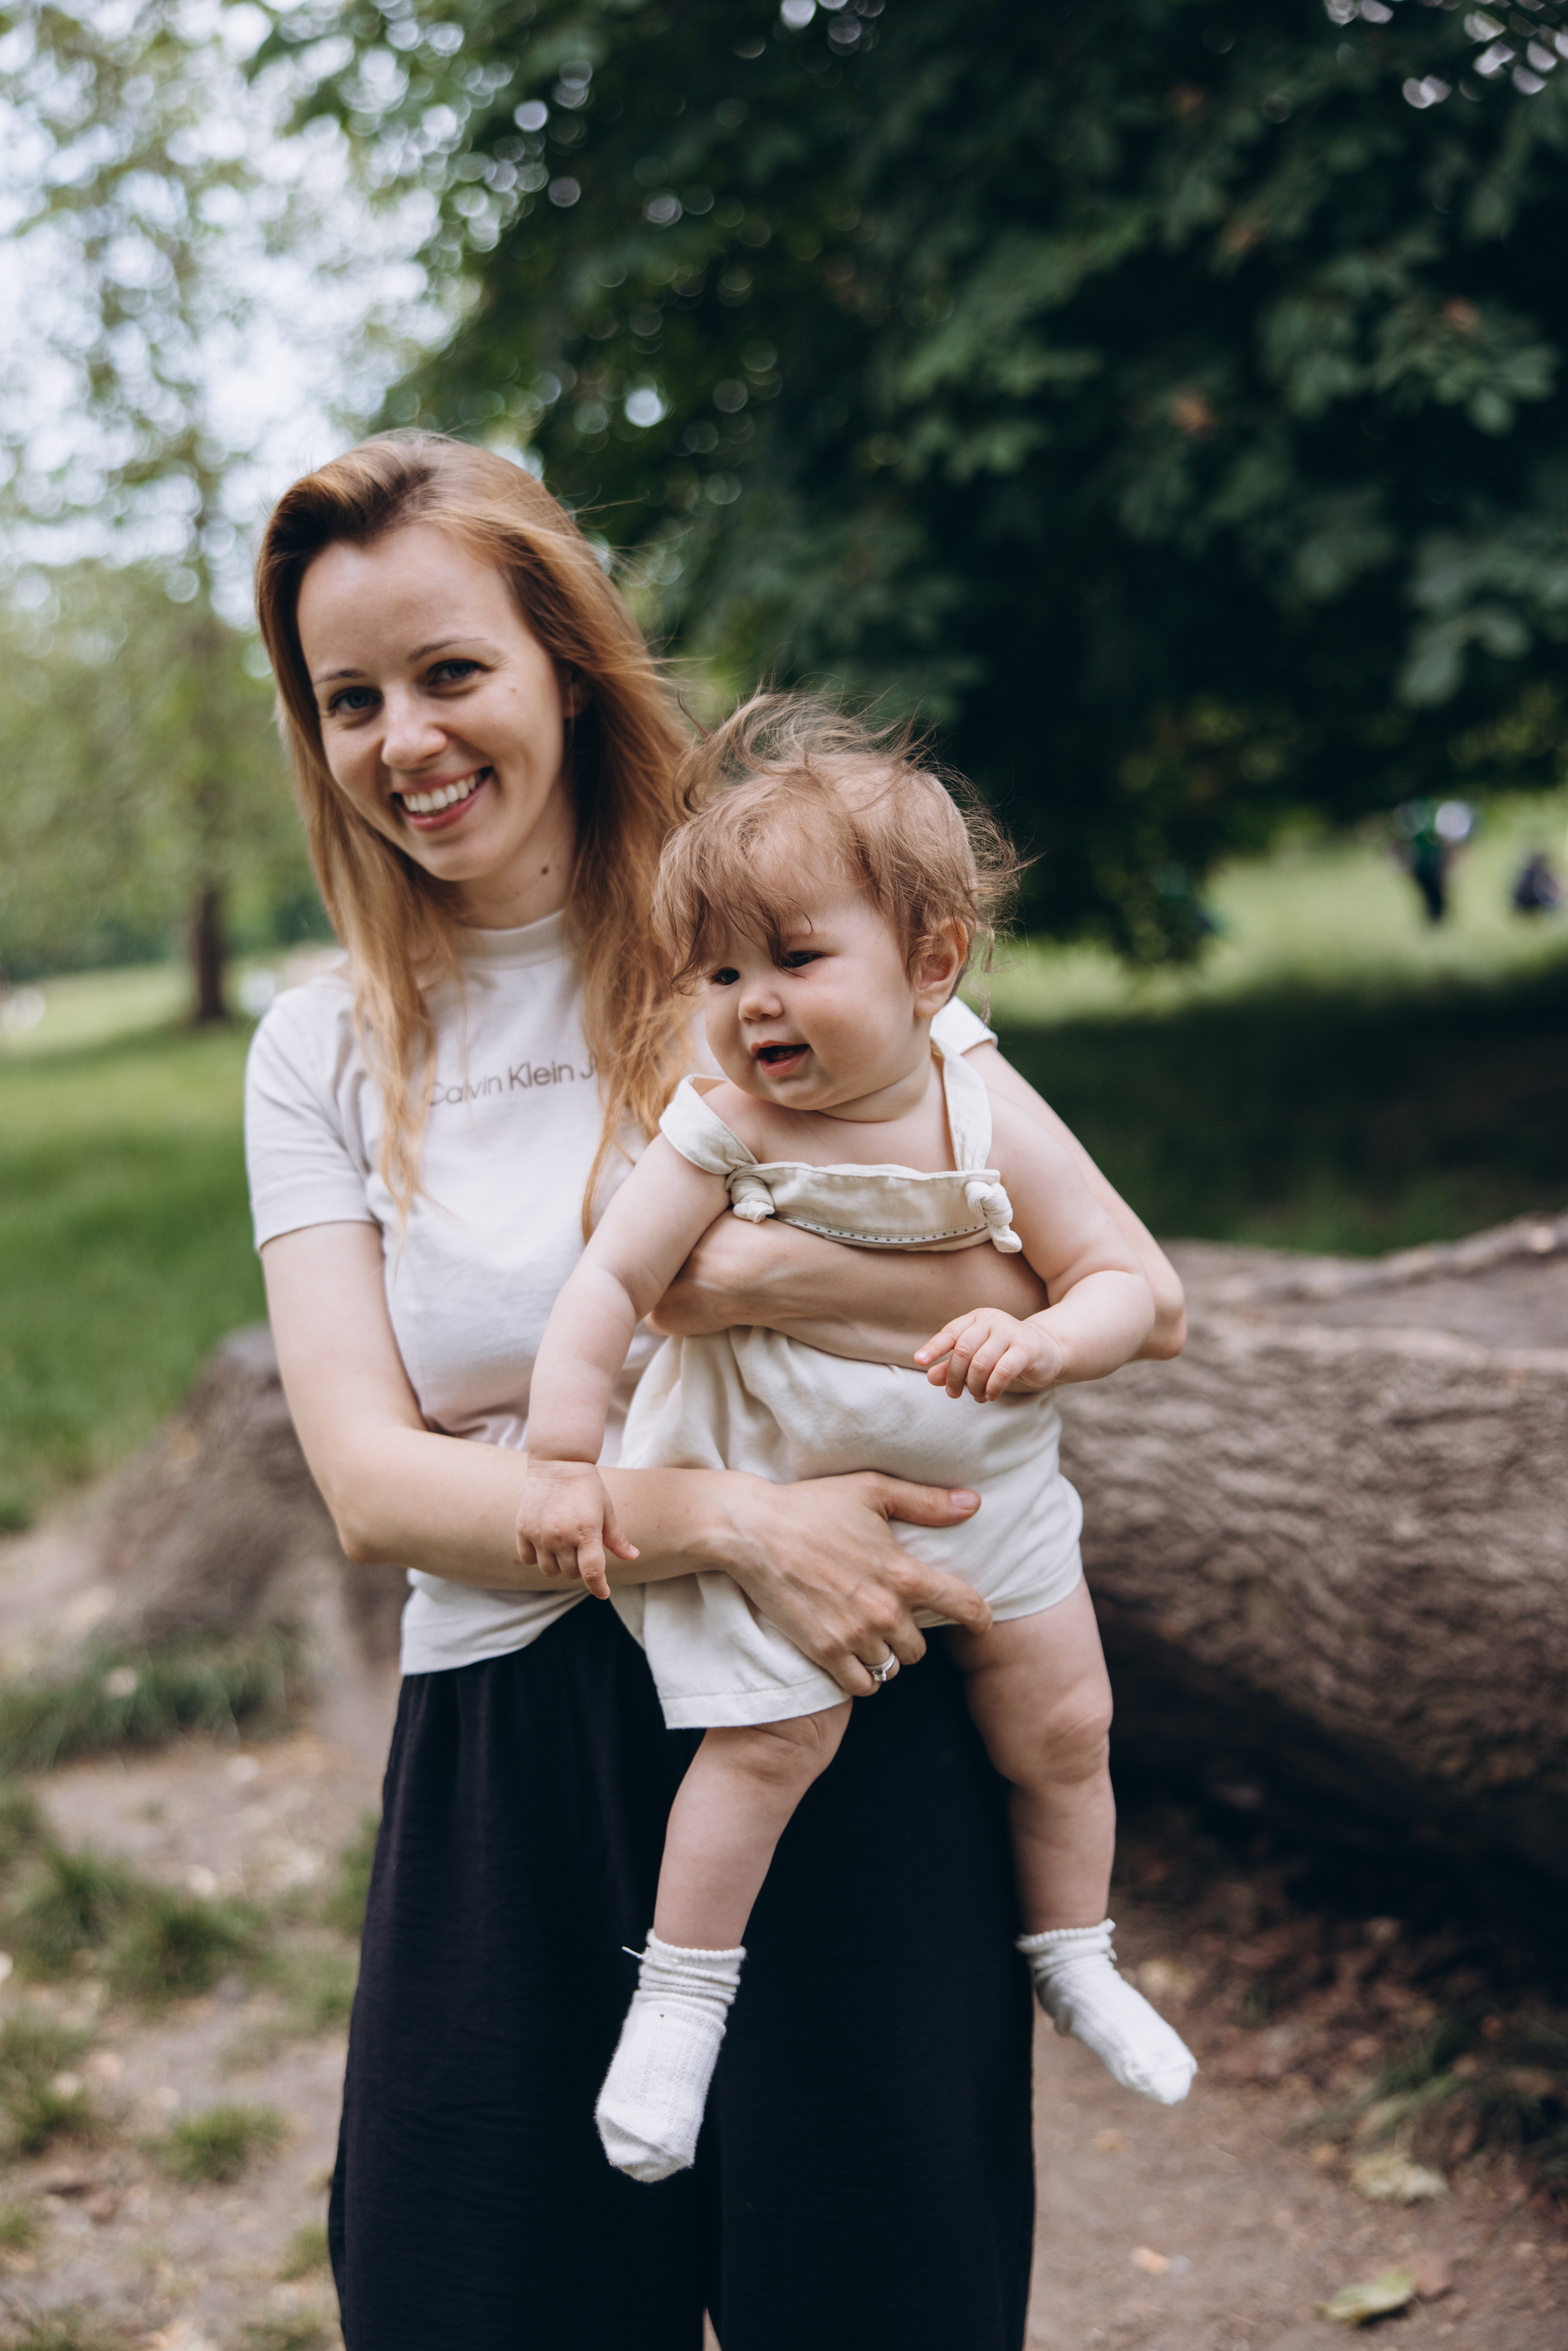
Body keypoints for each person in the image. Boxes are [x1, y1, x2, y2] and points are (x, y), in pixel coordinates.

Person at [246, 431, 1188, 2351]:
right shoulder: (325, 1041)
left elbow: (1027, 1264)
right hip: (518, 1718)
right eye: (349, 698)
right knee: (469, 2293)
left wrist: (746, 1273)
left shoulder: (767, 926)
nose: (404, 739)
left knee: (881, 2293)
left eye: (448, 672)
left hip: (849, 1698)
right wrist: (733, 1513)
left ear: (564, 665)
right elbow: (366, 1476)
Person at [518, 700, 1196, 2186]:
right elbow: (611, 1286)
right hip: (789, 1492)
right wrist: (568, 1448)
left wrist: (1037, 1338)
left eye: (796, 959)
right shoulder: (721, 1124)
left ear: (932, 962)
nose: (750, 1003)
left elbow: (1128, 1289)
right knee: (765, 1745)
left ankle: (1073, 1951)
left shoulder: (981, 1102)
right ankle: (676, 2002)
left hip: (996, 1496)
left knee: (1065, 1725)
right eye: (719, 971)